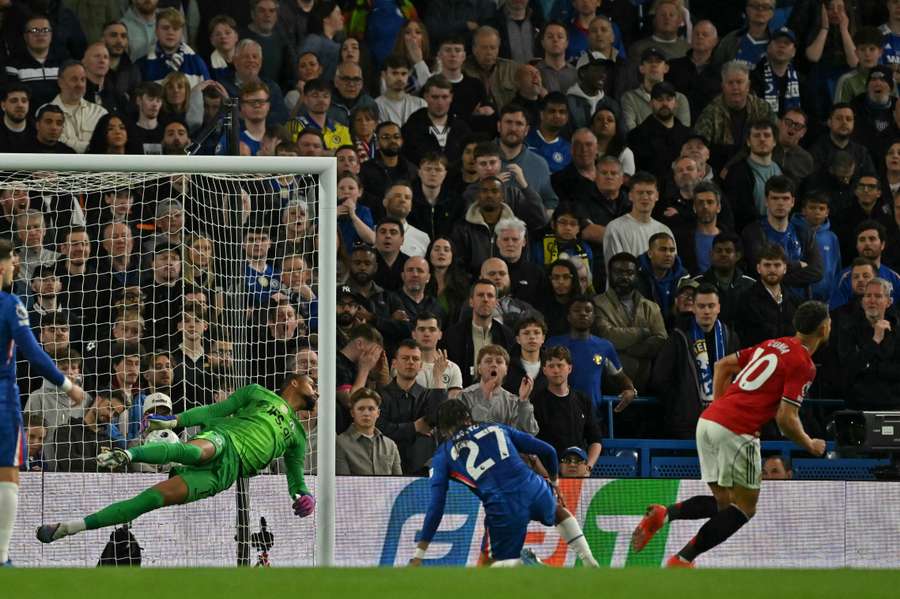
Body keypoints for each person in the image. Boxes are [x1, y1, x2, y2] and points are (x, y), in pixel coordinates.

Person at [631, 300, 830, 567]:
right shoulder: (804, 364)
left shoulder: (773, 344)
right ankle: (682, 560)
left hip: (708, 422)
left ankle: (664, 514)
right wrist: (810, 443)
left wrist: (720, 406)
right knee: (745, 508)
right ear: (824, 329)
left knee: (724, 502)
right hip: (737, 430)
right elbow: (786, 418)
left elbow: (722, 365)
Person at [37, 374, 318, 544]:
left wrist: (304, 497)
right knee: (194, 451)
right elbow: (215, 410)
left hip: (226, 474)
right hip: (226, 438)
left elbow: (296, 480)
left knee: (150, 500)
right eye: (313, 382)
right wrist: (175, 421)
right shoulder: (258, 393)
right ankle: (128, 454)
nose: (316, 388)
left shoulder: (298, 436)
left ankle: (69, 528)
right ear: (294, 382)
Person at [409, 399, 599, 567]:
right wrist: (555, 483)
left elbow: (436, 506)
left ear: (443, 429)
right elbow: (548, 450)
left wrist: (419, 554)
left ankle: (530, 566)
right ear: (468, 416)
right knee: (558, 511)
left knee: (490, 564)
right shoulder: (495, 427)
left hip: (504, 504)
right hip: (533, 486)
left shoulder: (443, 454)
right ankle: (589, 560)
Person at [0, 238, 86, 564]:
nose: (16, 265)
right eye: (12, 260)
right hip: (2, 398)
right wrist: (68, 385)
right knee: (7, 474)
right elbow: (34, 353)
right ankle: (1, 557)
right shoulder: (11, 304)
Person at [650, 284, 741, 439]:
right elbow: (661, 379)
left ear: (718, 308)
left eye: (711, 306)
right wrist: (680, 406)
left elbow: (739, 377)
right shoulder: (678, 337)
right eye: (701, 306)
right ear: (693, 308)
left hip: (724, 422)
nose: (706, 311)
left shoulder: (730, 338)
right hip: (687, 425)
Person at [335, 387, 402, 475]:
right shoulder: (340, 443)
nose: (366, 413)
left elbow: (398, 480)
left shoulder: (390, 445)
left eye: (371, 409)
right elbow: (342, 481)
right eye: (361, 409)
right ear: (352, 413)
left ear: (378, 413)